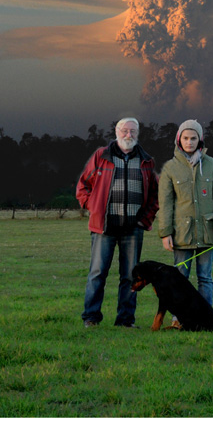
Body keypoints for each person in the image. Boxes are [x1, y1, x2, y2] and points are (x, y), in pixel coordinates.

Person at [76, 117, 158, 328]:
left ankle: (125, 321)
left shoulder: (146, 161)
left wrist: (144, 220)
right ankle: (91, 318)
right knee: (97, 274)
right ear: (116, 132)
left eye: (133, 131)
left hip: (133, 229)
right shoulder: (101, 156)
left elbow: (155, 197)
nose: (128, 135)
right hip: (104, 227)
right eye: (124, 131)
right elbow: (83, 186)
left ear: (138, 134)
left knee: (130, 277)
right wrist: (92, 207)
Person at [157, 119, 213, 328]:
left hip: (208, 233)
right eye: (186, 138)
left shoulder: (212, 165)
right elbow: (165, 203)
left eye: (193, 138)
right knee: (179, 278)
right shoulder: (170, 168)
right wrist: (165, 232)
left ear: (200, 140)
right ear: (179, 139)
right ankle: (177, 319)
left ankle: (205, 319)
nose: (189, 142)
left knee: (205, 277)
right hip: (181, 234)